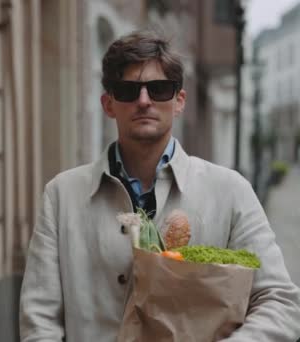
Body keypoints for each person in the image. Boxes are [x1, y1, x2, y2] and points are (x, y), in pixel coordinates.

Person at [19, 30, 300, 342]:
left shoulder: (231, 191)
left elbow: (280, 302)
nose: (143, 101)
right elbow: (39, 320)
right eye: (128, 90)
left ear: (179, 101)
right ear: (108, 104)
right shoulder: (61, 196)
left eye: (159, 89)